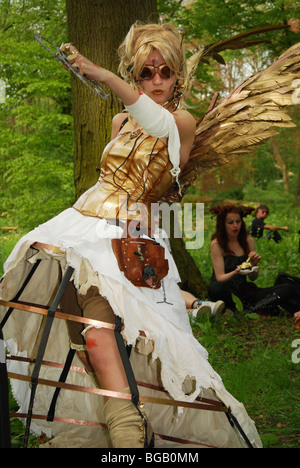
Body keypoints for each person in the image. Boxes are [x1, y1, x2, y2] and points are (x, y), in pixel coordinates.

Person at [0, 23, 262, 448]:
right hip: (85, 227)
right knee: (78, 323)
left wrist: (101, 75)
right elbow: (111, 174)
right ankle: (123, 420)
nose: (157, 80)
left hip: (130, 245)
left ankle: (127, 434)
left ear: (178, 76)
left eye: (165, 72)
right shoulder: (120, 120)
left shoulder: (180, 122)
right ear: (136, 73)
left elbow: (154, 123)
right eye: (146, 72)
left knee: (116, 334)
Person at [209, 204, 298, 316]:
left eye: (238, 221)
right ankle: (238, 308)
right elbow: (220, 277)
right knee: (215, 288)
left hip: (245, 292)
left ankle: (253, 308)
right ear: (223, 224)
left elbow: (253, 278)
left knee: (287, 288)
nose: (235, 226)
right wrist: (236, 272)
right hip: (225, 290)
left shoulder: (248, 241)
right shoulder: (217, 244)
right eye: (230, 222)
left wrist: (253, 266)